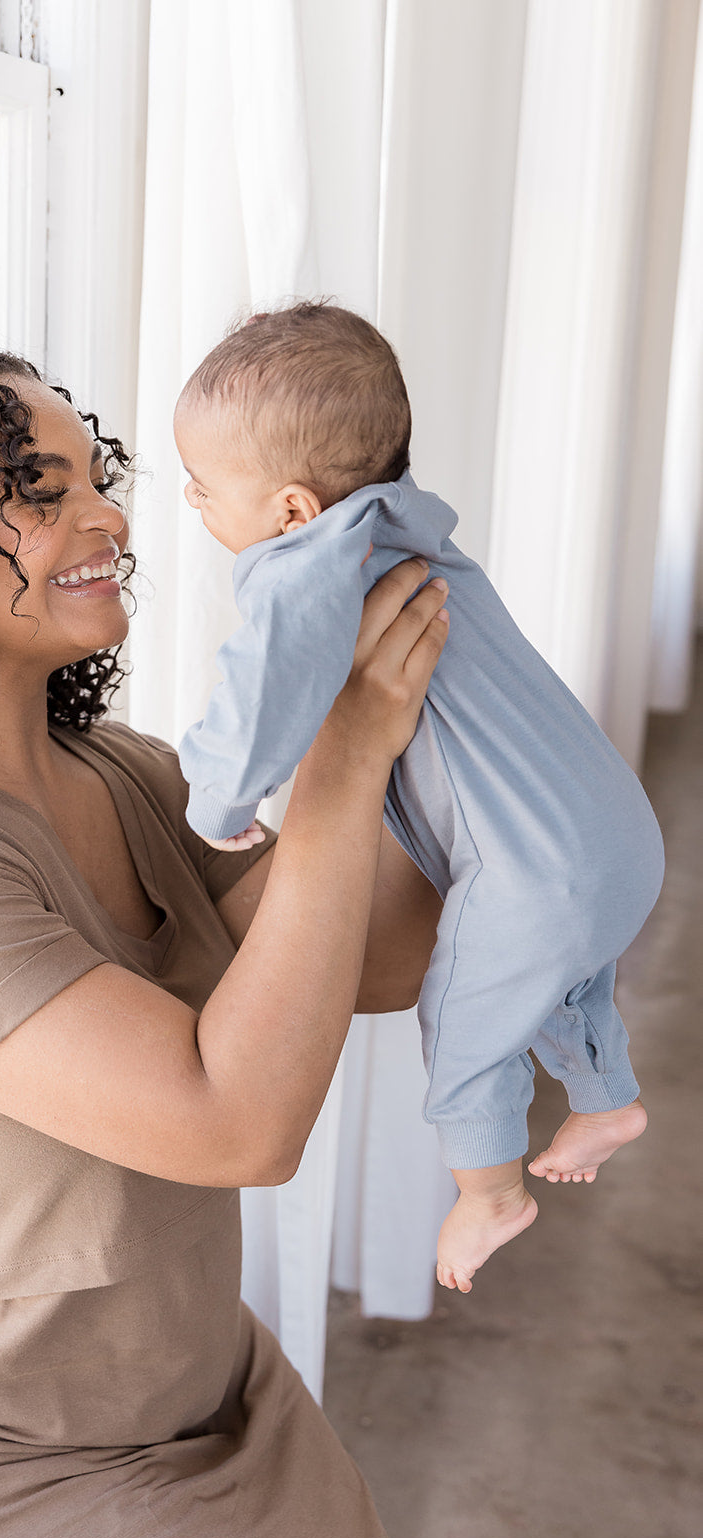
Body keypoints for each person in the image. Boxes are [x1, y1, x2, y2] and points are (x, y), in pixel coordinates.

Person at [0, 336, 450, 1538]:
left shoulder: (127, 772)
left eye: (97, 477)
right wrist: (343, 757)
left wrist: (388, 723)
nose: (109, 515)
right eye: (39, 490)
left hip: (190, 1384)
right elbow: (237, 1121)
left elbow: (386, 958)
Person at [173, 301, 664, 1296]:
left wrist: (221, 796)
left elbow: (260, 685)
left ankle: (487, 1191)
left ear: (290, 511)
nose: (189, 500)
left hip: (540, 873)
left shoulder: (300, 568)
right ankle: (604, 1095)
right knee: (557, 971)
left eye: (203, 485)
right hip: (615, 830)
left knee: (464, 1008)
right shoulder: (417, 540)